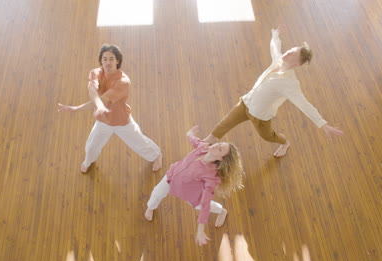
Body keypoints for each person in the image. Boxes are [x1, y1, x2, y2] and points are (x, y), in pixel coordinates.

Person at [204, 25, 343, 157]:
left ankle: (285, 143)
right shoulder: (279, 60)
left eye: (292, 54)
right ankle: (206, 142)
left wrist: (323, 125)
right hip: (246, 102)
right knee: (224, 123)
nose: (288, 52)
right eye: (291, 50)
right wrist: (275, 35)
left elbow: (305, 105)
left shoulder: (290, 84)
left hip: (260, 117)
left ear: (296, 64)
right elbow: (275, 47)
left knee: (268, 136)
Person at [58, 44, 162, 173]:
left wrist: (77, 108)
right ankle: (88, 161)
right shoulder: (95, 72)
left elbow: (102, 100)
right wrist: (98, 106)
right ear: (101, 60)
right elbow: (92, 90)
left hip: (122, 121)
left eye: (111, 59)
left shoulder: (123, 81)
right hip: (103, 120)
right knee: (91, 146)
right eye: (105, 59)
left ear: (118, 61)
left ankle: (156, 155)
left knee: (140, 143)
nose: (108, 62)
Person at [144, 125, 244, 246]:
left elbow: (206, 202)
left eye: (220, 149)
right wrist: (189, 133)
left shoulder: (212, 176)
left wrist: (200, 229)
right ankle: (151, 207)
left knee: (201, 206)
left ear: (221, 158)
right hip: (171, 176)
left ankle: (222, 211)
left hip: (189, 192)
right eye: (220, 143)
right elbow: (194, 140)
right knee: (157, 192)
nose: (217, 145)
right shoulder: (204, 147)